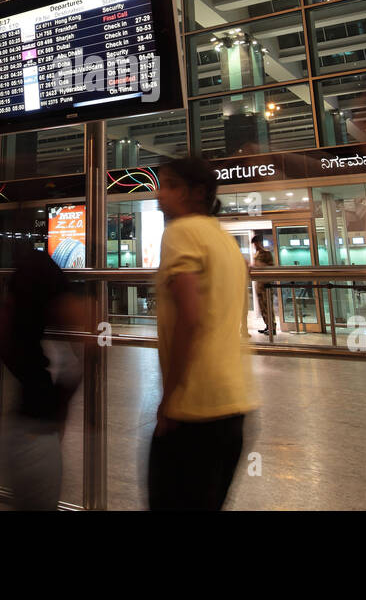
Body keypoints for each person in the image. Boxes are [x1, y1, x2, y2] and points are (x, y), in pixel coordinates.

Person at [148, 156, 257, 511]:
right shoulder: (225, 242)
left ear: (196, 192)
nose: (159, 195)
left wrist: (168, 399)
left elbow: (190, 318)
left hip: (195, 407)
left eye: (169, 185)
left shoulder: (180, 232)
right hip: (235, 404)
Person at [0, 244, 87, 509]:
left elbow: (3, 339)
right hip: (37, 433)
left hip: (26, 426)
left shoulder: (29, 271)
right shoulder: (41, 270)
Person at [250, 233, 277, 336]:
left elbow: (271, 267)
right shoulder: (256, 254)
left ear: (260, 242)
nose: (255, 245)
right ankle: (267, 325)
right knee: (262, 306)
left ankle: (272, 327)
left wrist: (261, 265)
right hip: (259, 284)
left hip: (266, 284)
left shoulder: (266, 253)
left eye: (256, 243)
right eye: (254, 244)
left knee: (268, 306)